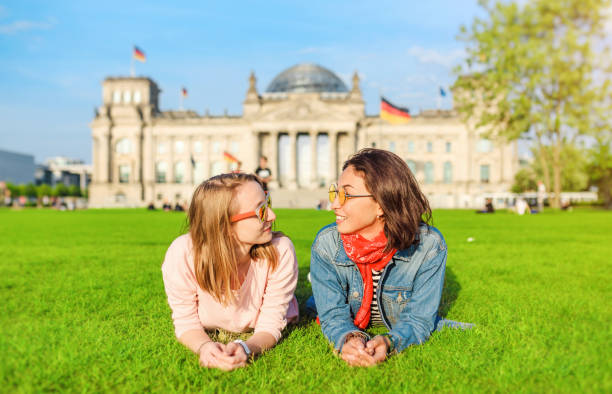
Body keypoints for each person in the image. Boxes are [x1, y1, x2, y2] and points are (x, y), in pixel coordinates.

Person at [309, 148, 471, 367]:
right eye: (334, 193)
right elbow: (333, 315)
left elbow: (418, 319)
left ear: (381, 204)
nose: (334, 204)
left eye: (345, 195)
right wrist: (348, 338)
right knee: (311, 305)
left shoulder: (429, 246)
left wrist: (390, 341)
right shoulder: (326, 244)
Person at [161, 173, 299, 371]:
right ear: (224, 225)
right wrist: (205, 347)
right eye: (261, 210)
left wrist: (247, 347)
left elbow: (270, 324)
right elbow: (185, 321)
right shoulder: (183, 254)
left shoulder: (279, 250)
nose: (272, 215)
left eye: (267, 201)